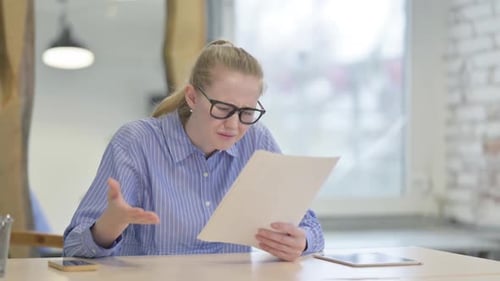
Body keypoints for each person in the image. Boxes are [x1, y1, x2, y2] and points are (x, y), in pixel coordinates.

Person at [63, 39, 324, 262]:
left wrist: (301, 241)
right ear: (192, 97)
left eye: (247, 112)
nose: (234, 125)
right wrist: (110, 226)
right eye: (222, 109)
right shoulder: (136, 143)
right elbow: (73, 249)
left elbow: (311, 226)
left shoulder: (256, 139)